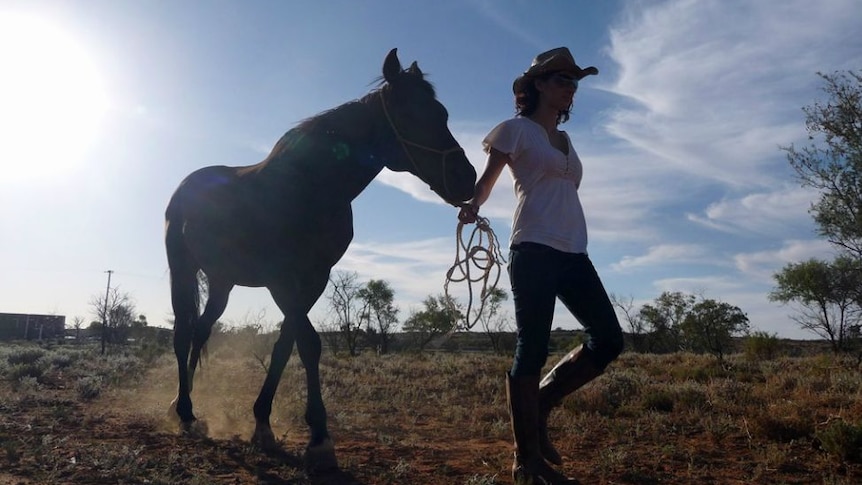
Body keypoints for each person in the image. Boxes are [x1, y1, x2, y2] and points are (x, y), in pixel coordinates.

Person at [458, 47, 625, 484]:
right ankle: (525, 460)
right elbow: (488, 181)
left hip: (574, 250)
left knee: (607, 338)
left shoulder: (567, 143)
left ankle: (543, 402)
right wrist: (473, 204)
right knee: (531, 346)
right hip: (532, 248)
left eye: (574, 82)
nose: (570, 88)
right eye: (561, 80)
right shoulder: (516, 130)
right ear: (537, 85)